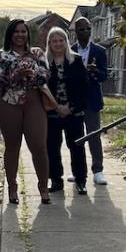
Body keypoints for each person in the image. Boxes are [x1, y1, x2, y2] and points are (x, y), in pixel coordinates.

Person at [0, 19, 50, 205]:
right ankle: (12, 187)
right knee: (12, 146)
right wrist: (17, 74)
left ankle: (43, 187)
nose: (20, 35)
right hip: (8, 101)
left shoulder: (37, 53)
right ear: (10, 34)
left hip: (33, 101)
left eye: (23, 31)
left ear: (28, 34)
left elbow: (46, 75)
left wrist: (33, 74)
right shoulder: (1, 55)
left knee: (39, 145)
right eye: (16, 31)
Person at [43, 27, 90, 195]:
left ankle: (80, 180)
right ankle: (56, 180)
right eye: (54, 41)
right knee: (52, 147)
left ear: (66, 42)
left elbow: (84, 88)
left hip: (74, 112)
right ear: (49, 43)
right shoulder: (45, 63)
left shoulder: (75, 61)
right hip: (52, 112)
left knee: (77, 146)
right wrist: (57, 107)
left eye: (61, 40)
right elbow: (42, 88)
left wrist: (70, 108)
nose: (58, 44)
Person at [71, 16, 110, 185]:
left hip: (92, 100)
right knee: (76, 136)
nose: (85, 32)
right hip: (75, 100)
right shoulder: (70, 50)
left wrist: (94, 71)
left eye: (88, 29)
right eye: (82, 29)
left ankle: (98, 170)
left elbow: (104, 76)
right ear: (76, 32)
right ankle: (78, 170)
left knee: (94, 135)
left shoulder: (99, 51)